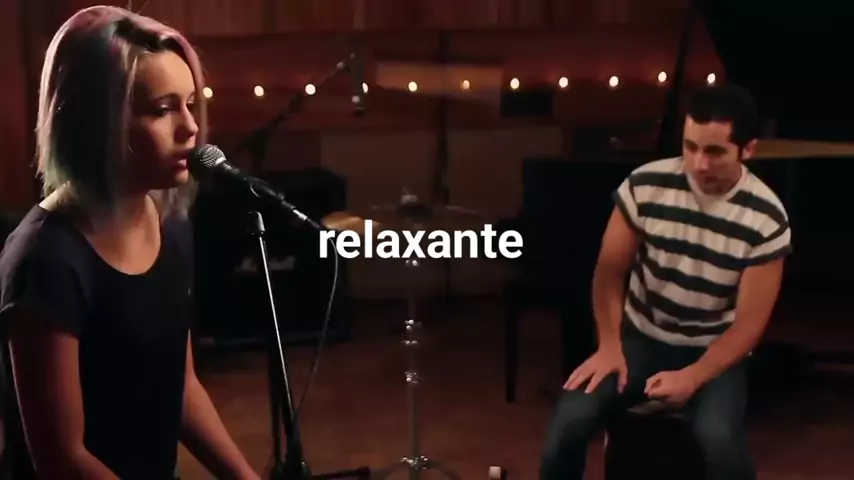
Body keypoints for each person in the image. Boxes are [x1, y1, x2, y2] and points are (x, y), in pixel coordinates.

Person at [0, 6, 260, 480]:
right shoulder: (45, 258)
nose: (191, 128)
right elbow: (62, 459)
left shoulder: (170, 223)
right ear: (96, 121)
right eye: (162, 109)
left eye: (190, 103)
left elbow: (180, 385)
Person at [538, 84, 792, 480]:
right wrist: (609, 345)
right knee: (570, 420)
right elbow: (609, 272)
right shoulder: (646, 185)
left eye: (714, 152)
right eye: (690, 147)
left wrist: (694, 376)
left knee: (718, 439)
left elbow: (748, 326)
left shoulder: (766, 218)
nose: (699, 163)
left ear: (748, 149)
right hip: (640, 337)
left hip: (713, 348)